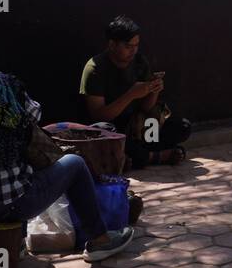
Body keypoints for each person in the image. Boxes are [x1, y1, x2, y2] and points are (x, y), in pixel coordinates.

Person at [0, 27, 134, 261]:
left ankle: (15, 244)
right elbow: (32, 116)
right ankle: (100, 240)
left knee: (10, 165)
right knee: (74, 163)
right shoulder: (0, 87)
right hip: (5, 206)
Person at [81, 15, 192, 168]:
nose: (133, 51)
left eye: (136, 45)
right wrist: (130, 94)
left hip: (137, 126)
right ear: (112, 44)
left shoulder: (139, 62)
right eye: (128, 46)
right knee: (109, 137)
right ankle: (156, 156)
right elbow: (98, 115)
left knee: (181, 126)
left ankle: (142, 155)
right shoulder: (95, 69)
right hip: (113, 128)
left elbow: (146, 108)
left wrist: (154, 90)